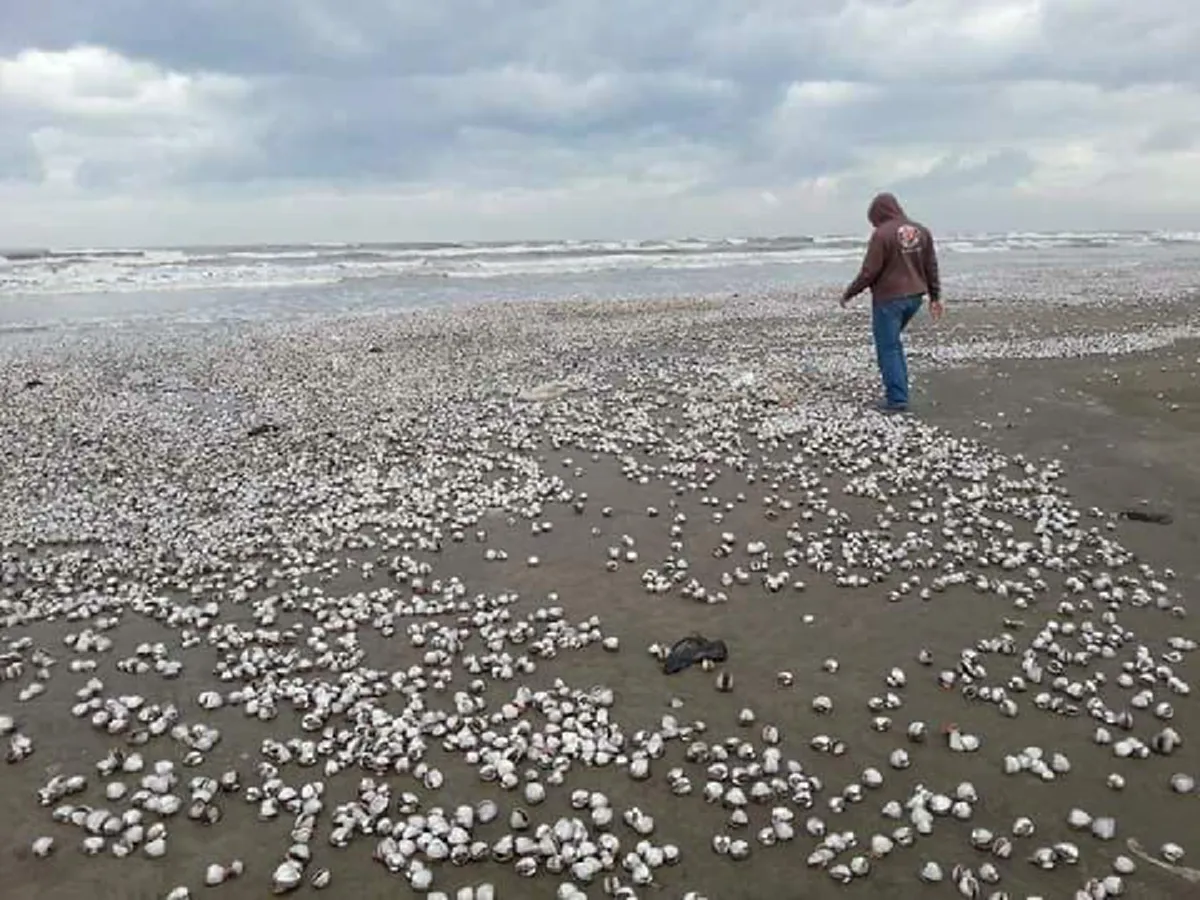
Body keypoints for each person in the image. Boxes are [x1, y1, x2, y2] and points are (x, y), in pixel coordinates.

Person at [840, 192, 942, 413]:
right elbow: (931, 265)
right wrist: (935, 297)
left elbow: (869, 272)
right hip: (915, 297)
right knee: (894, 345)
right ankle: (900, 390)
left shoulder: (882, 235)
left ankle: (897, 400)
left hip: (889, 299)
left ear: (879, 214)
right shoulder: (922, 231)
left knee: (888, 348)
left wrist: (850, 293)